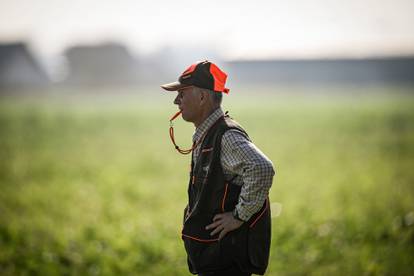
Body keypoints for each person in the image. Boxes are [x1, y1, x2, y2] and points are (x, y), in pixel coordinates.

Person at [161, 60, 275, 276]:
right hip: (216, 256)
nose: (176, 101)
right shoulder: (209, 132)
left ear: (203, 97)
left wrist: (238, 216)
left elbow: (263, 168)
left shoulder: (226, 136)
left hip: (225, 260)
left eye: (182, 93)